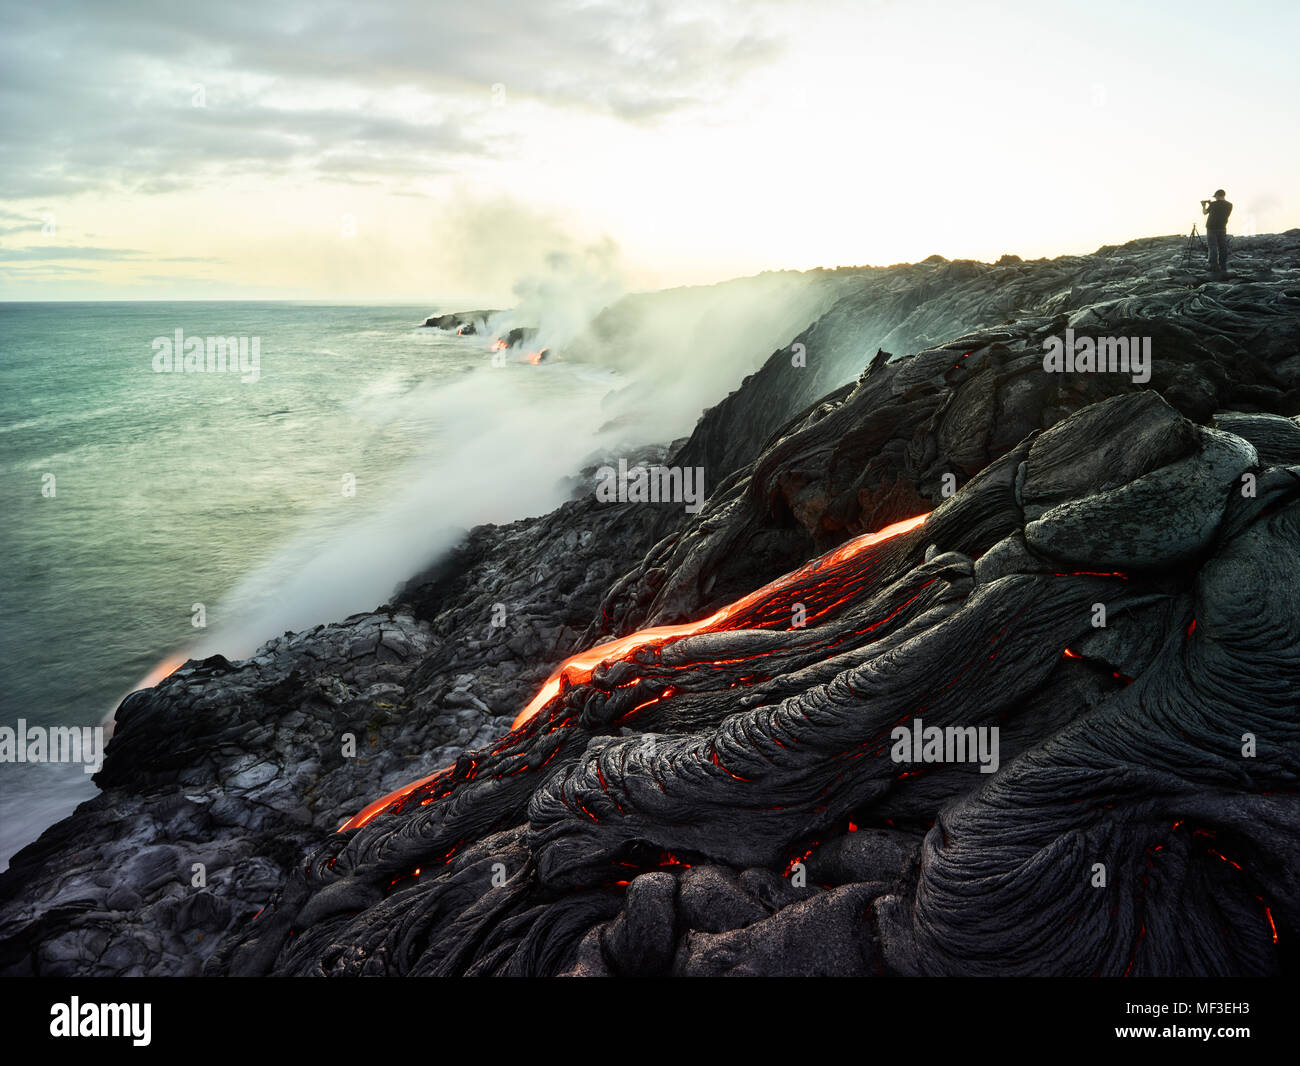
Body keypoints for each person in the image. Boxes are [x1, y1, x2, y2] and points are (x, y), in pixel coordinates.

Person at [1201, 189, 1232, 275]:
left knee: (1213, 247)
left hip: (1211, 228)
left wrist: (1204, 205)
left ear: (1218, 195)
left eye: (1216, 197)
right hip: (1222, 227)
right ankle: (1223, 266)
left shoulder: (1213, 204)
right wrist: (1211, 204)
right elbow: (1220, 211)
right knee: (1223, 247)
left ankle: (1213, 266)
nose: (1215, 198)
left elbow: (1205, 212)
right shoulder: (1229, 205)